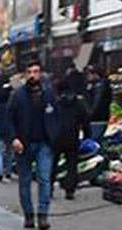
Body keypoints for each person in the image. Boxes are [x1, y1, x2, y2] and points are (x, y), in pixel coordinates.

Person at [9, 60, 57, 230]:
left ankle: (43, 215)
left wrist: (54, 137)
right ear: (25, 74)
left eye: (36, 72)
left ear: (41, 73)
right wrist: (14, 138)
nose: (33, 75)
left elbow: (56, 115)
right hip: (24, 143)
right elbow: (10, 118)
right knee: (25, 181)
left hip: (44, 142)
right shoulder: (18, 95)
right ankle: (28, 214)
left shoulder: (49, 93)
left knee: (44, 179)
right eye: (29, 72)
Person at [52, 72, 88, 201]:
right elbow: (85, 120)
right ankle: (70, 190)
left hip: (56, 137)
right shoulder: (78, 103)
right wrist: (87, 135)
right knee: (72, 164)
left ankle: (48, 187)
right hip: (72, 136)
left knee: (53, 163)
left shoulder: (55, 102)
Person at [84, 65, 112, 140]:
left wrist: (89, 115)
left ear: (96, 74)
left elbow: (96, 104)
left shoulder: (99, 87)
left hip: (97, 119)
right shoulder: (96, 85)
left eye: (89, 74)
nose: (87, 76)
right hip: (99, 118)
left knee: (94, 140)